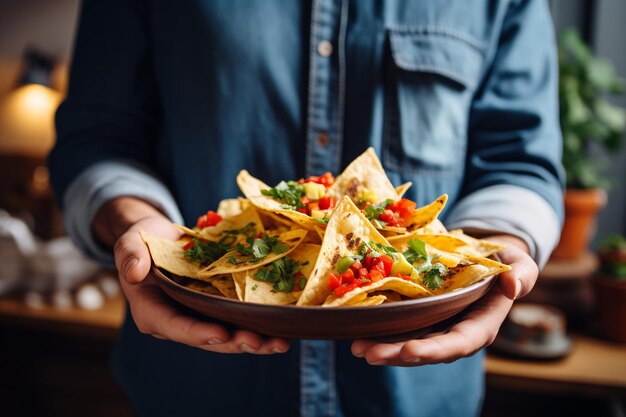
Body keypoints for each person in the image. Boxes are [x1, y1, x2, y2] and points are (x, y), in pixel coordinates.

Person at [48, 0, 563, 416]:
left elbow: (520, 162)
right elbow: (96, 140)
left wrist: (500, 244)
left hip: (419, 397)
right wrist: (136, 222)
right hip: (196, 386)